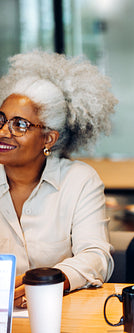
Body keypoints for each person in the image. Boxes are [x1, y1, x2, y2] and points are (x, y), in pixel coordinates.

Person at [0, 50, 117, 307]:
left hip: (58, 313)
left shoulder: (79, 181)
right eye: (1, 120)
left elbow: (97, 256)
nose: (3, 131)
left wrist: (55, 279)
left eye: (19, 125)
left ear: (49, 139)